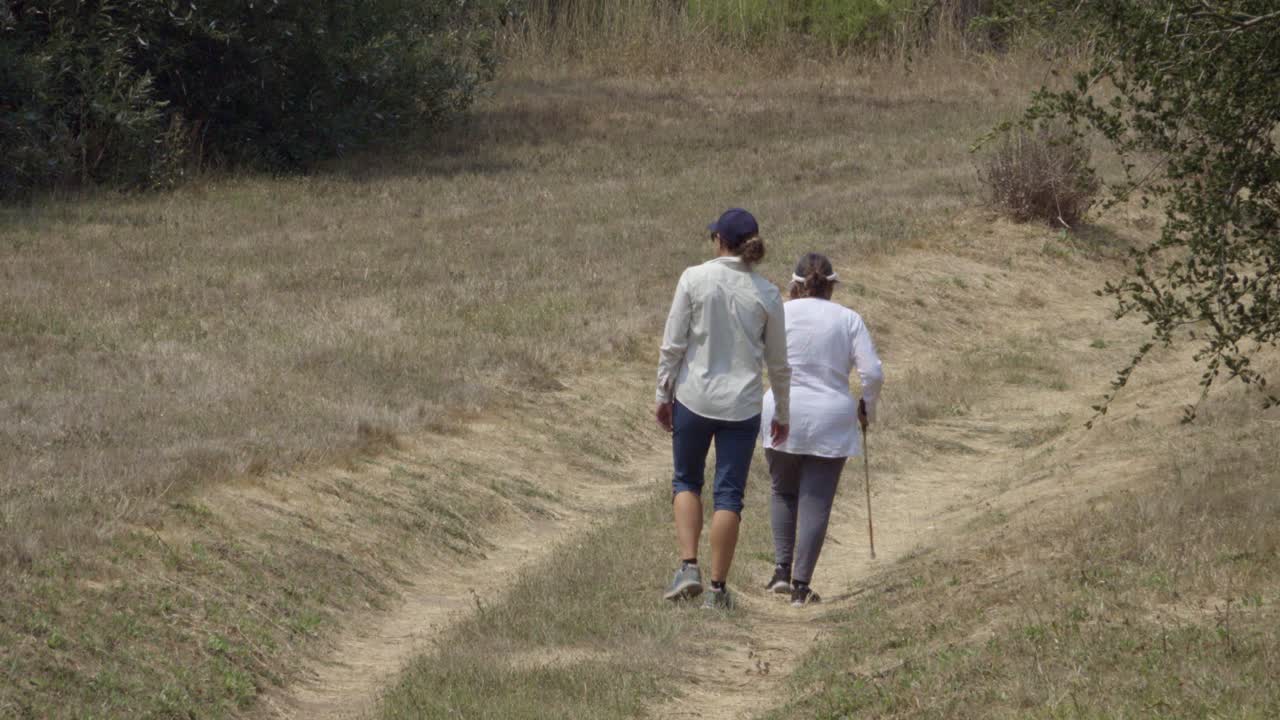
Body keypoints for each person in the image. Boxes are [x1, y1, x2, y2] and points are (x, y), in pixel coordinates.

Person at [655, 208, 791, 610]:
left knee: (686, 481)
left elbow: (673, 344)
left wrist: (663, 394)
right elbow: (779, 364)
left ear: (719, 241)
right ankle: (718, 589)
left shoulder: (694, 279)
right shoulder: (766, 293)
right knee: (729, 495)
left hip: (694, 398)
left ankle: (688, 567)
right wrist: (781, 412)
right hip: (742, 406)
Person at [760, 252, 883, 607]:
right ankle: (801, 586)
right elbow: (872, 373)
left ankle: (781, 572)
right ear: (831, 286)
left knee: (783, 490)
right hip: (831, 415)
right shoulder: (848, 318)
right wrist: (866, 409)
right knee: (817, 500)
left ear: (795, 285)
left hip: (782, 408)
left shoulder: (779, 312)